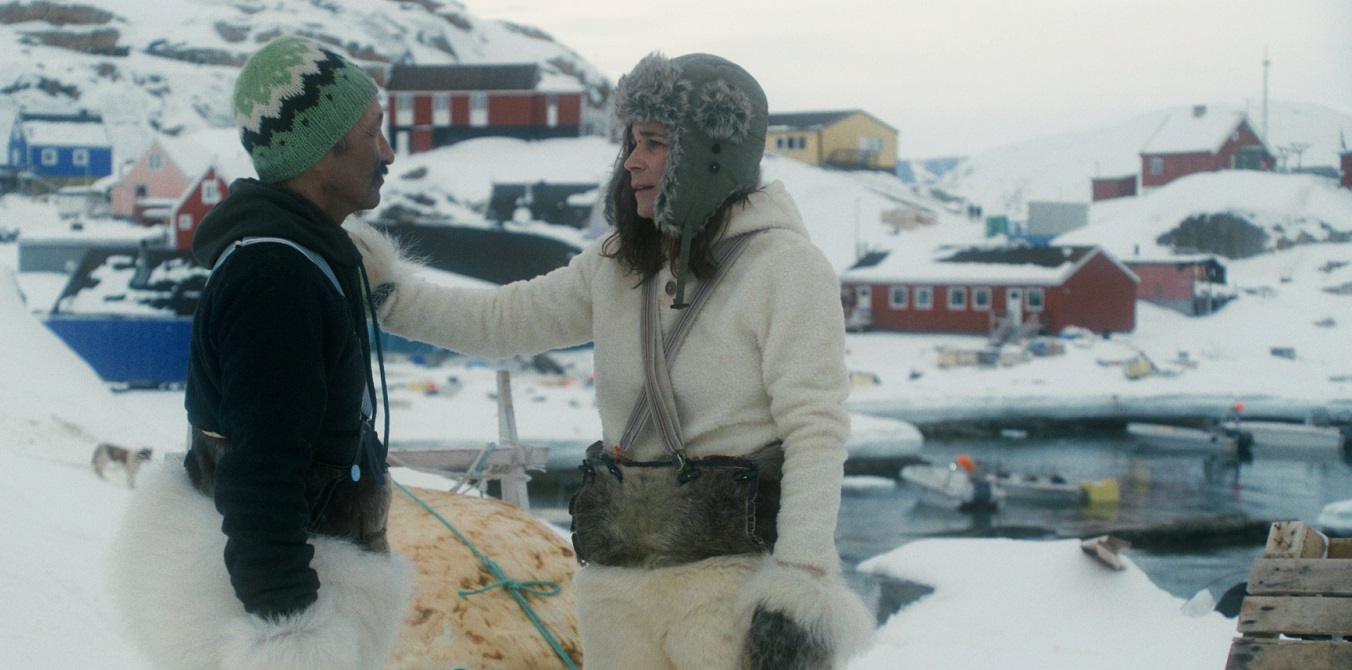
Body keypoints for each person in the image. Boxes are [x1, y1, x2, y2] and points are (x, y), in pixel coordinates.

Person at [354, 52, 874, 668]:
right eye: (631, 141)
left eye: (653, 142)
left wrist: (800, 581)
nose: (631, 160)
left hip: (728, 592)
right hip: (616, 591)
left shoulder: (786, 268)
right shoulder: (616, 264)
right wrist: (385, 295)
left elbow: (815, 428)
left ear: (709, 150)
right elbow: (503, 321)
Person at [109, 35, 411, 670]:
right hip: (287, 617)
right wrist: (292, 635)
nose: (388, 152)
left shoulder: (299, 259)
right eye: (372, 132)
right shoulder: (277, 278)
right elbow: (261, 476)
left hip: (316, 584)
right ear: (323, 149)